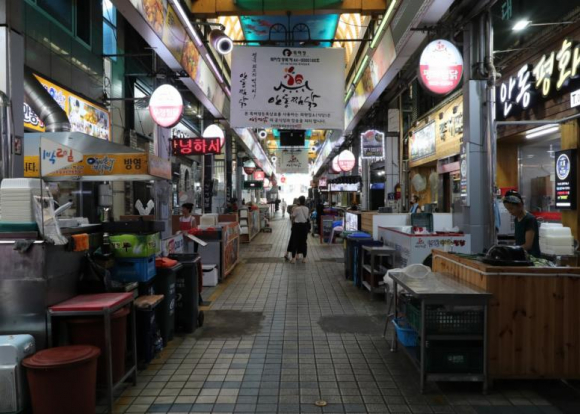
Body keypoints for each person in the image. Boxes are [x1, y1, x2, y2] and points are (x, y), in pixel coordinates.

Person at [503, 190, 541, 257]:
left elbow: (528, 245)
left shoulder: (529, 219)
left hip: (531, 258)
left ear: (520, 205)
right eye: (508, 209)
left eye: (511, 208)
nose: (509, 211)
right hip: (521, 256)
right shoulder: (516, 220)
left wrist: (511, 250)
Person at [290, 196, 310, 263]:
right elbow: (307, 217)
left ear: (299, 201)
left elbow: (292, 216)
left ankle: (293, 259)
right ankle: (304, 258)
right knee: (304, 242)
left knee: (295, 242)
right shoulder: (307, 209)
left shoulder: (297, 209)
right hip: (304, 226)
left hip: (297, 226)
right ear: (304, 201)